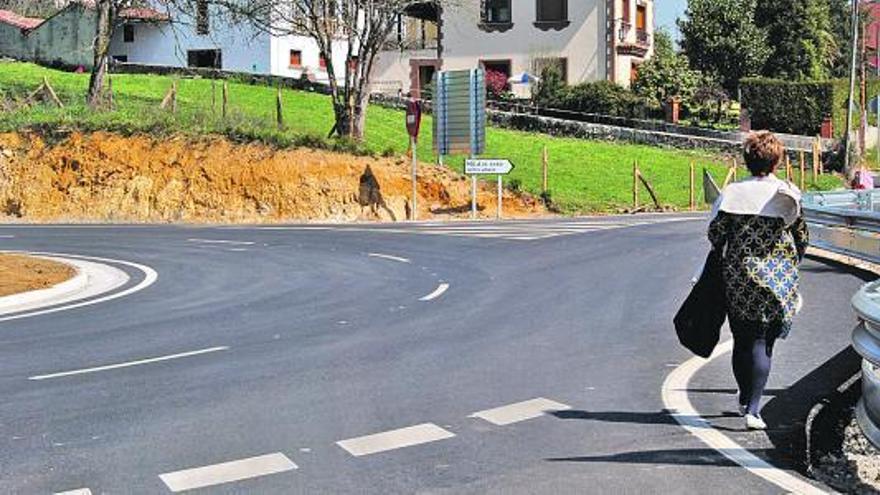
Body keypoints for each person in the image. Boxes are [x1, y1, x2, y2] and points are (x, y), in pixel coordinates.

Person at [708, 131, 809, 430]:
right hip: (778, 277)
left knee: (743, 338)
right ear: (777, 159)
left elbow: (716, 234)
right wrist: (792, 262)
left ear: (747, 159)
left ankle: (743, 399)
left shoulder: (733, 193)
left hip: (739, 274)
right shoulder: (787, 193)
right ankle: (754, 408)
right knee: (764, 343)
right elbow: (801, 236)